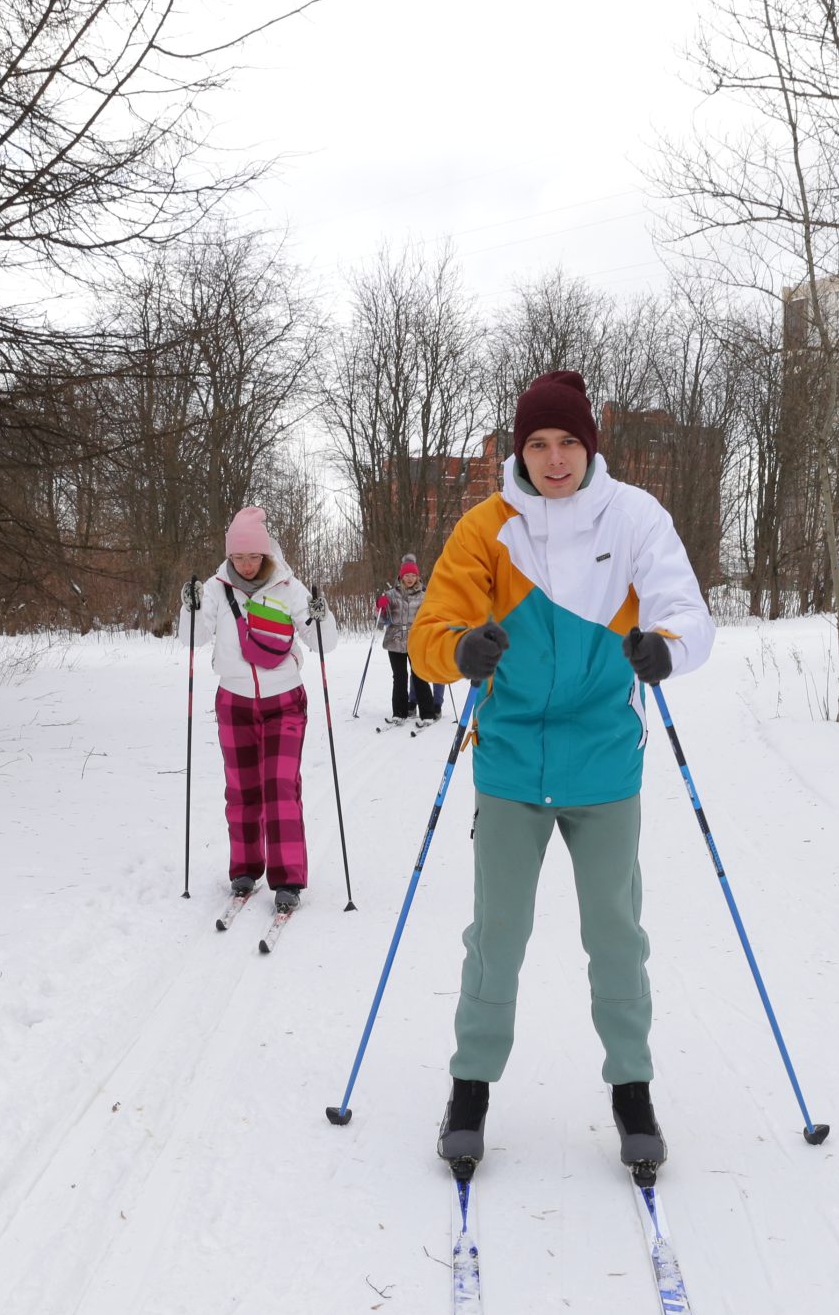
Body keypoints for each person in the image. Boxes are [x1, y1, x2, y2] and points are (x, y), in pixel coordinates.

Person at [409, 370, 714, 1176]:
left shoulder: (635, 516)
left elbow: (689, 613)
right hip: (510, 764)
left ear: (590, 446)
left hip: (604, 766)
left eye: (567, 443)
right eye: (537, 444)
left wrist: (665, 648)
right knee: (496, 935)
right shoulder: (487, 528)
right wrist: (461, 651)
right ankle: (469, 1089)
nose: (553, 460)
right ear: (520, 450)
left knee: (616, 935)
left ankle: (633, 1089)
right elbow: (430, 632)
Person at [200, 507, 334, 914]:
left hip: (284, 701)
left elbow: (324, 643)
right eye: (238, 557)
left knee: (280, 787)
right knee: (241, 790)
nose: (246, 564)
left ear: (265, 554)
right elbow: (190, 637)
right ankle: (244, 869)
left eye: (253, 556)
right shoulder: (216, 588)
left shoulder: (288, 587)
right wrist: (188, 608)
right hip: (233, 701)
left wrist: (321, 615)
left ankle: (288, 877)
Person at [373, 555, 440, 727]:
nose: (410, 579)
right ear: (401, 576)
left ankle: (427, 713)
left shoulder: (425, 596)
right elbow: (381, 621)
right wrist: (379, 607)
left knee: (419, 675)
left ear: (417, 577)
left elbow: (430, 617)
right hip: (395, 640)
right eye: (407, 576)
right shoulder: (390, 595)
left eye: (413, 576)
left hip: (416, 640)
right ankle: (399, 713)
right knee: (399, 677)